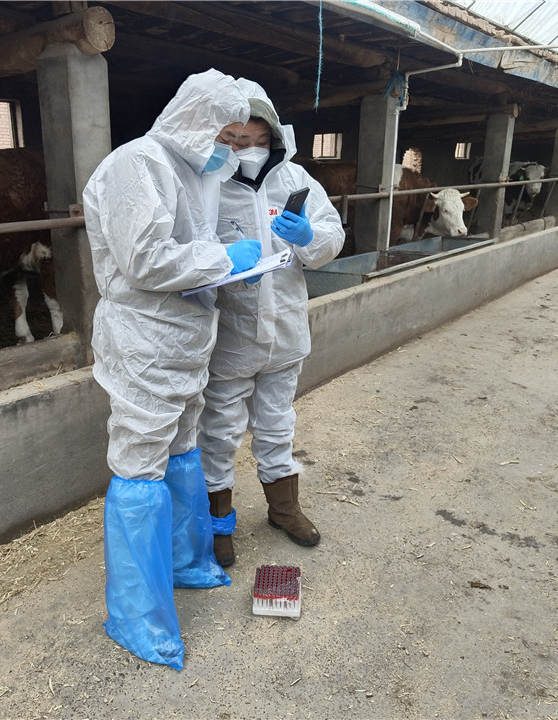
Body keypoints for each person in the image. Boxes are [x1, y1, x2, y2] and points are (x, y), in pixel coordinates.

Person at [82, 69, 261, 670]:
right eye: (226, 136)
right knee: (140, 462)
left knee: (182, 447)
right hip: (145, 339)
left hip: (187, 337)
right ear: (195, 120)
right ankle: (136, 615)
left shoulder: (196, 172)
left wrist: (234, 264)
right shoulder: (138, 164)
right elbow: (145, 260)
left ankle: (186, 561)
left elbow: (191, 251)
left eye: (237, 141)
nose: (231, 149)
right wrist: (224, 258)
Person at [199, 79, 345, 567]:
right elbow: (184, 251)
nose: (252, 149)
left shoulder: (295, 180)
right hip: (231, 337)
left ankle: (284, 510)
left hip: (285, 332)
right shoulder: (207, 185)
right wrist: (222, 262)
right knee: (219, 432)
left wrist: (307, 236)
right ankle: (219, 525)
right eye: (241, 140)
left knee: (278, 424)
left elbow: (331, 236)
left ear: (276, 138)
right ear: (223, 138)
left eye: (262, 139)